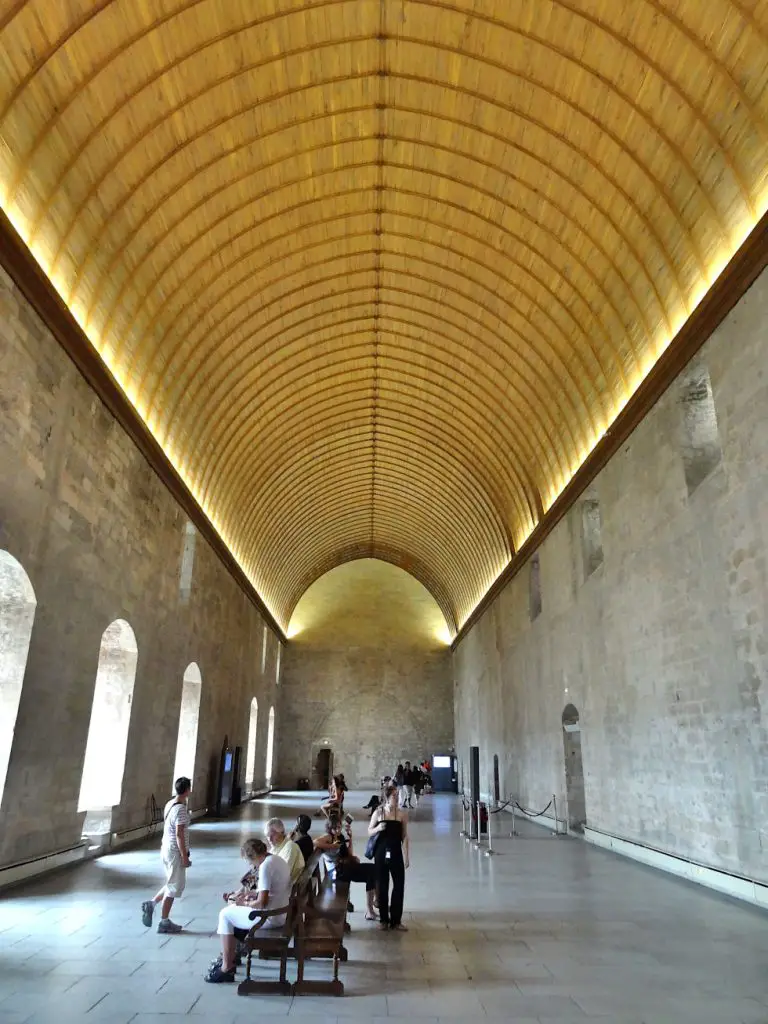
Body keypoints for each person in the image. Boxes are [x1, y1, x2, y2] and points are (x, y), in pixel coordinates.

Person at [206, 839, 292, 983]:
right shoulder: (276, 859)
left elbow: (262, 902)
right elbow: (270, 893)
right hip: (282, 912)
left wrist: (244, 902)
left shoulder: (265, 866)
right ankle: (232, 957)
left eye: (249, 861)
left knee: (225, 914)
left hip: (269, 917)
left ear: (253, 857)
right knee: (232, 911)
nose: (251, 865)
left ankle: (227, 967)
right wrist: (249, 895)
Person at [141, 776, 192, 934]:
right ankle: (164, 921)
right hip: (175, 851)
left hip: (166, 848)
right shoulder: (181, 809)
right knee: (173, 887)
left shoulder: (170, 803)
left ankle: (152, 904)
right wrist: (184, 856)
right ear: (187, 790)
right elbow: (179, 834)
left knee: (171, 881)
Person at [315, 812, 378, 920]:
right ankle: (372, 907)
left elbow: (349, 854)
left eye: (339, 827)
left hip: (345, 868)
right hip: (337, 872)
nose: (338, 830)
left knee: (373, 871)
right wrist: (332, 846)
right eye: (335, 828)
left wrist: (350, 838)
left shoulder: (340, 836)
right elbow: (315, 842)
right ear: (330, 828)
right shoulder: (328, 837)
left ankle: (371, 908)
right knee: (372, 872)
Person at [368, 783, 409, 931]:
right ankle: (384, 920)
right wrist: (378, 827)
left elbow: (404, 836)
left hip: (396, 852)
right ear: (387, 797)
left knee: (398, 886)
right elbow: (369, 831)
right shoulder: (379, 813)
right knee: (382, 885)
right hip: (380, 853)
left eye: (398, 796)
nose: (397, 798)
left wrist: (407, 856)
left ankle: (396, 920)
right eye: (394, 796)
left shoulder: (402, 814)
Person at [265, 817, 305, 883]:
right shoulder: (275, 848)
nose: (269, 839)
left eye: (272, 835)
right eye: (267, 835)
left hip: (290, 889)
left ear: (282, 832)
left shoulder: (290, 847)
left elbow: (283, 875)